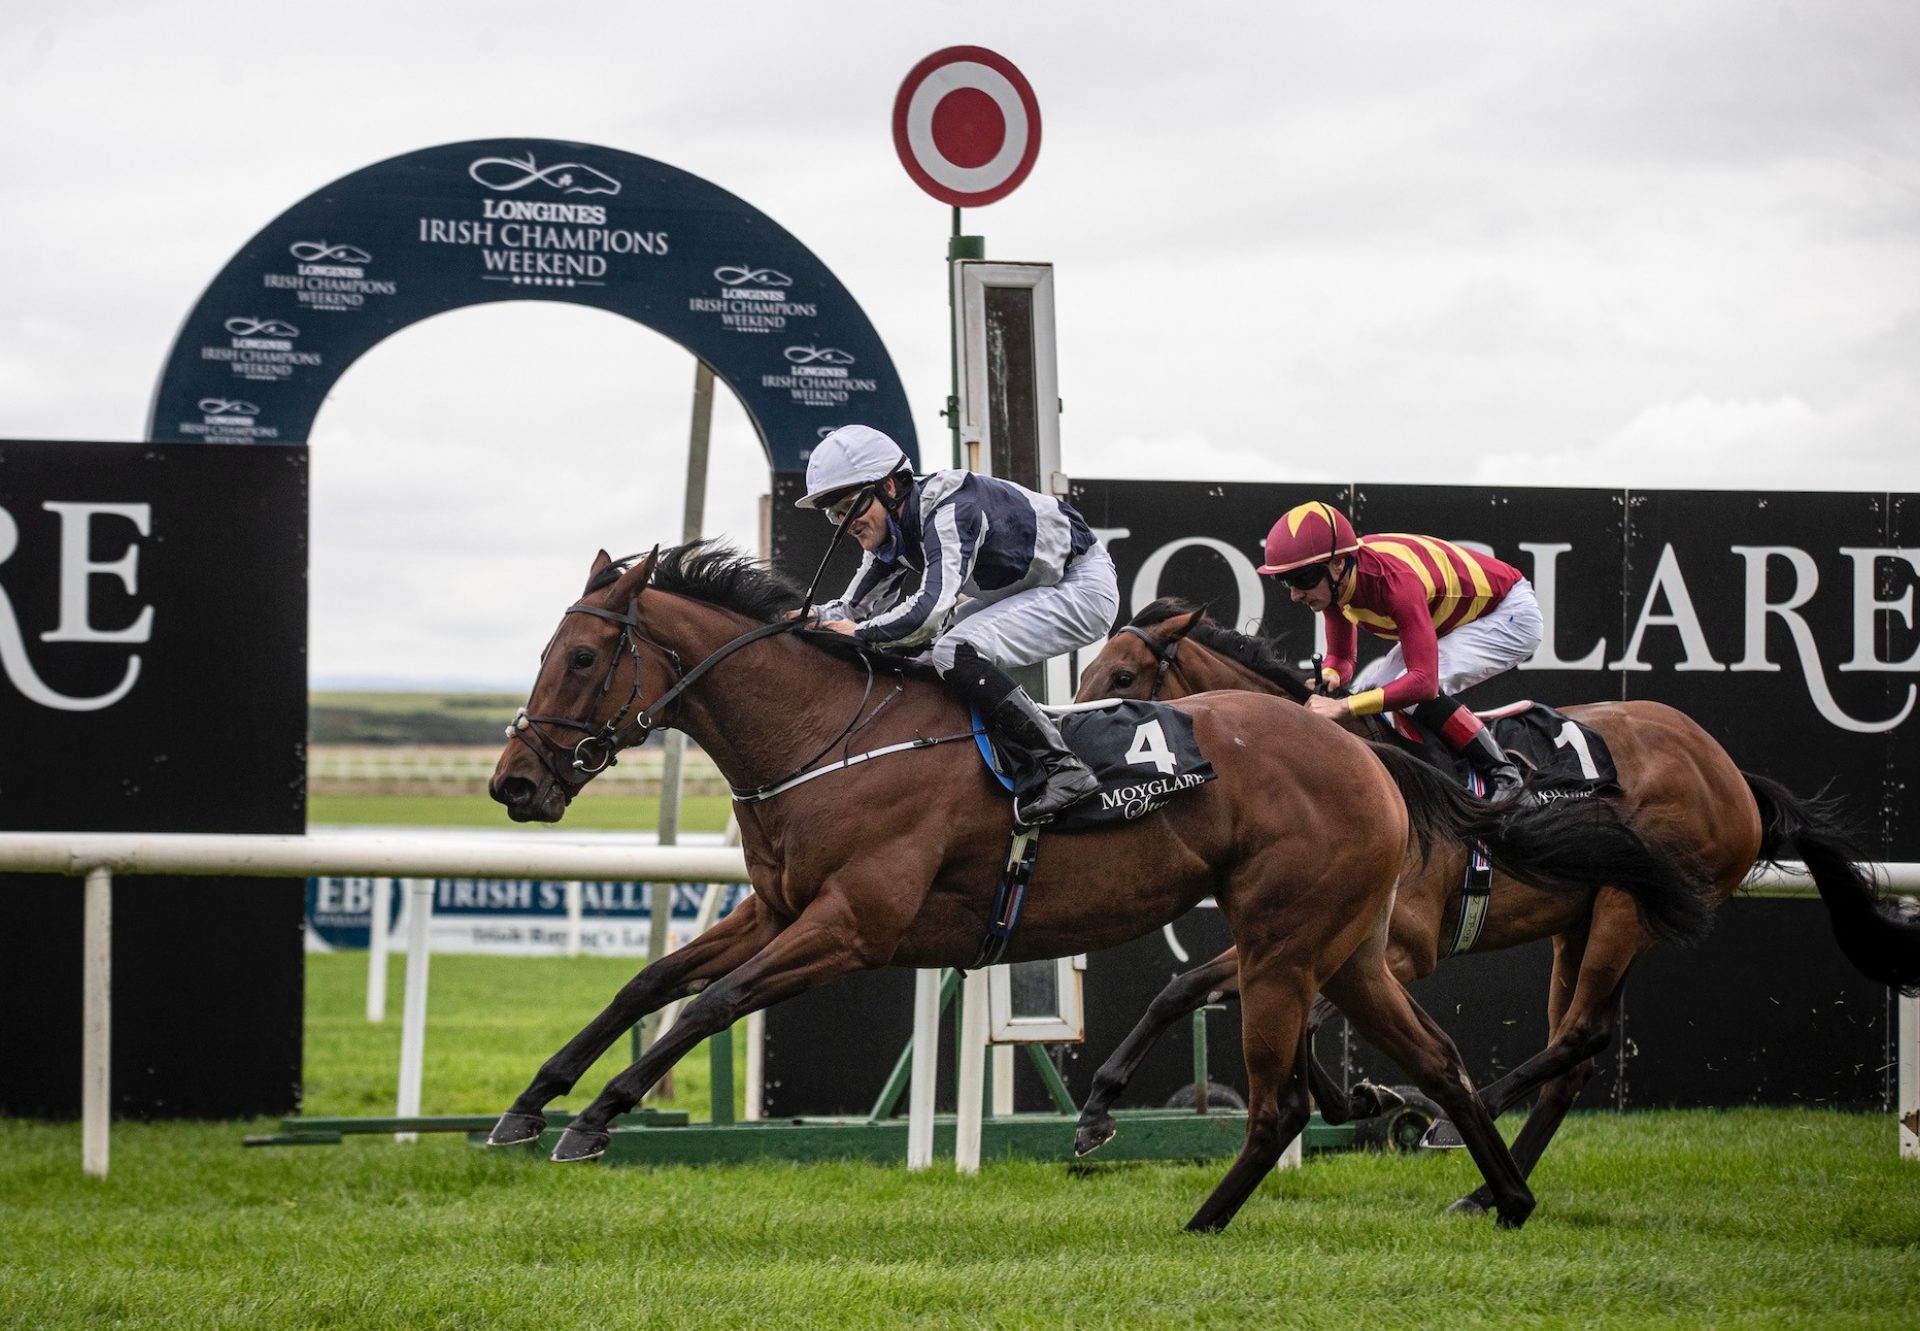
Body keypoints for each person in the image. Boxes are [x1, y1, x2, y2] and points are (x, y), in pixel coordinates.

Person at [796, 424, 1121, 824]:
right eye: (836, 515)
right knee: (926, 655)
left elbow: (929, 612)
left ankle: (1063, 768)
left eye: (850, 508)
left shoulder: (950, 510)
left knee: (952, 650)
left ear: (889, 488)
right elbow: (852, 609)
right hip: (1032, 586)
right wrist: (802, 619)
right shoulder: (892, 526)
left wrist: (858, 634)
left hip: (1081, 585)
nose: (847, 524)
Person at [1257, 500, 1544, 802]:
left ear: (1338, 564)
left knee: (1402, 695)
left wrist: (1342, 707)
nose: (1295, 595)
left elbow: (1423, 683)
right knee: (1369, 691)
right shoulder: (1335, 584)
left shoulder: (1393, 582)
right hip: (1461, 618)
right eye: (1286, 581)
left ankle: (1506, 778)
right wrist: (1330, 675)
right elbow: (1341, 659)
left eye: (1303, 579)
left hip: (1509, 614)